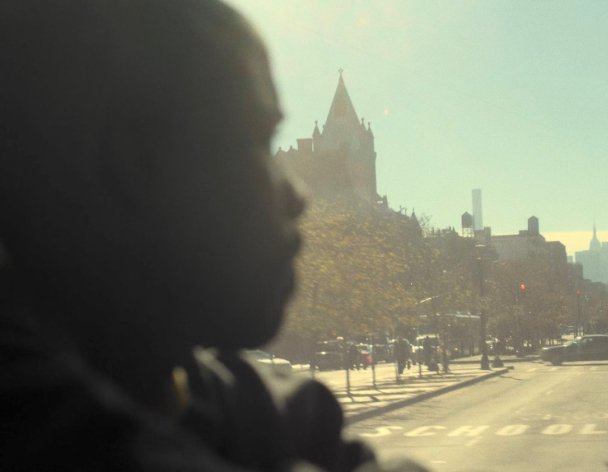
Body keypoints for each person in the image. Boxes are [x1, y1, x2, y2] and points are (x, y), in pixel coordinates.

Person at [0, 1, 422, 471]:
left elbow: (298, 422)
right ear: (133, 162)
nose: (297, 193)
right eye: (258, 142)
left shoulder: (152, 372)